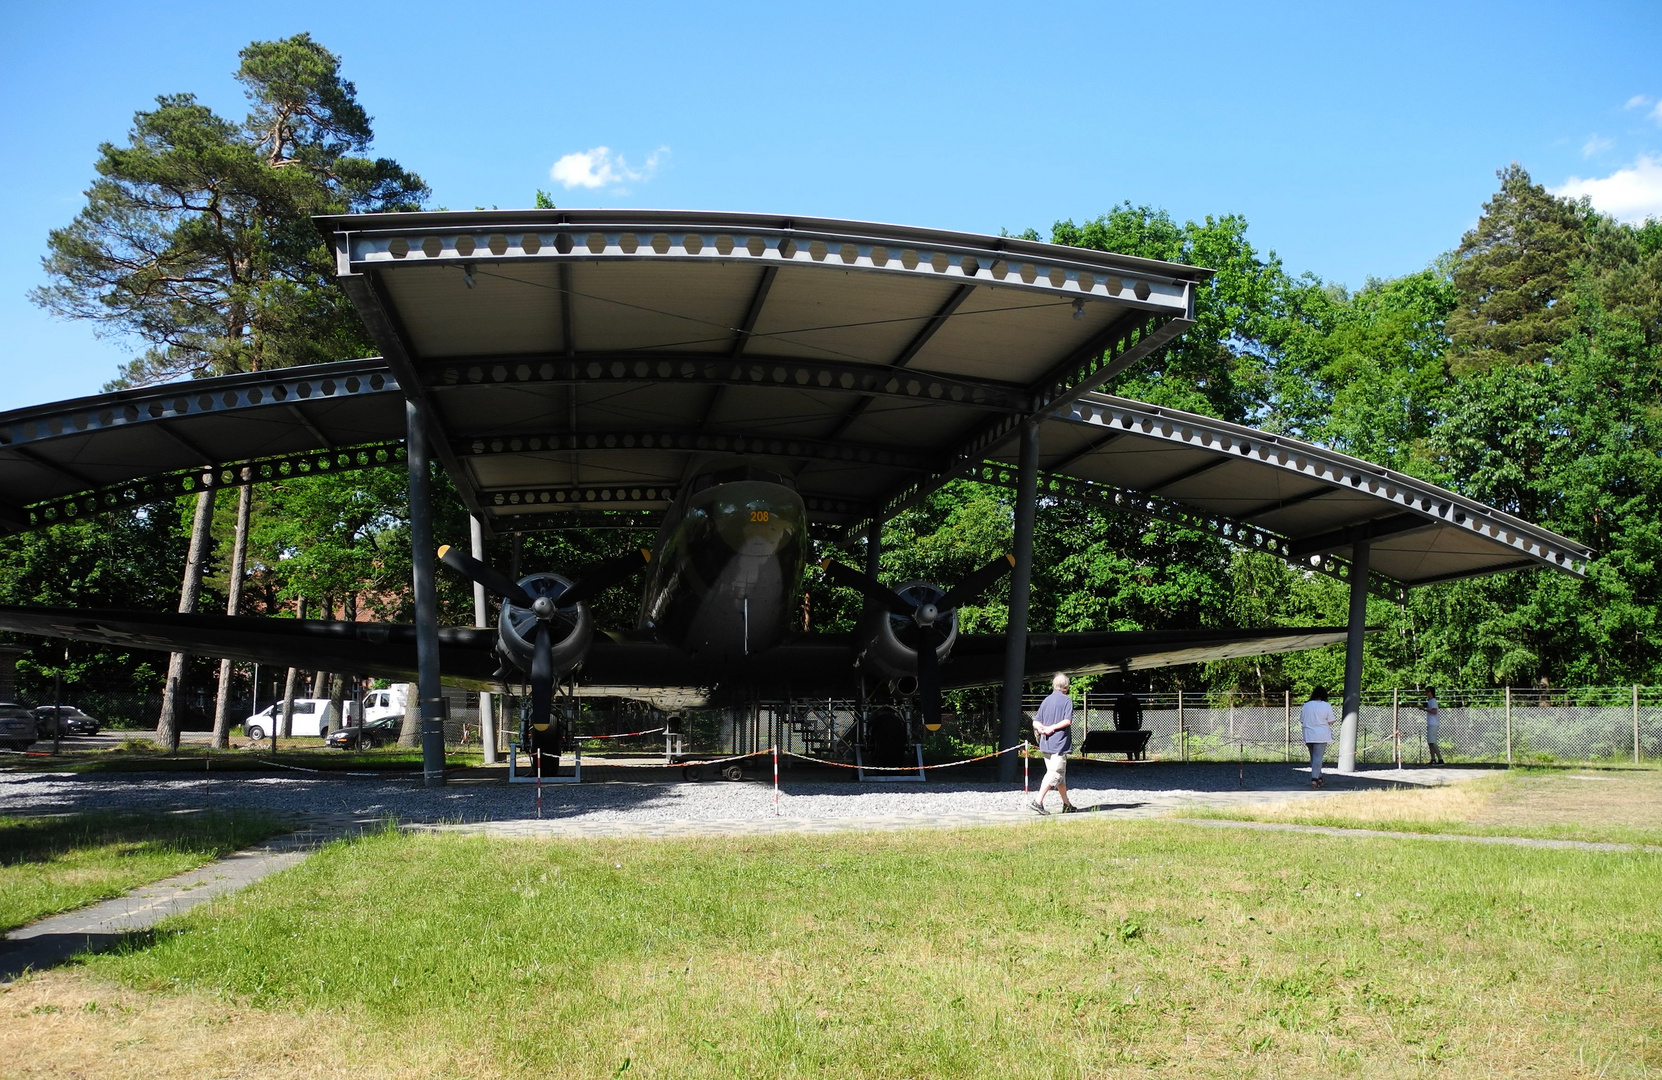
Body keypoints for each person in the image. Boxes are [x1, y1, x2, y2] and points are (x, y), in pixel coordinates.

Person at [1029, 672, 1079, 814]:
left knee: (1060, 776)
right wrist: (1052, 728)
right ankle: (1038, 801)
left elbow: (1035, 721)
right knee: (1054, 774)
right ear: (1066, 687)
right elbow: (1067, 721)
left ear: (1053, 685)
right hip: (1059, 744)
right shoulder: (1067, 701)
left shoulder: (1046, 700)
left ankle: (1067, 805)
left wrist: (1041, 728)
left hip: (1045, 744)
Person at [1300, 686, 1335, 788]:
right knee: (1318, 757)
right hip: (1321, 734)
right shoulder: (1326, 705)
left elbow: (1302, 719)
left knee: (1313, 757)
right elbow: (1331, 720)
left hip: (1308, 733)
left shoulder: (1306, 705)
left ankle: (1319, 777)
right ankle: (1314, 779)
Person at [1422, 688, 1445, 765]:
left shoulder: (1433, 701)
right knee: (1430, 742)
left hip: (1433, 723)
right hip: (1431, 723)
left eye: (1427, 691)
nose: (1426, 693)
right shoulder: (1430, 701)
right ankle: (1433, 759)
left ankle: (1440, 759)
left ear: (1431, 693)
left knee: (1433, 742)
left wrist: (1425, 709)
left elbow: (1434, 711)